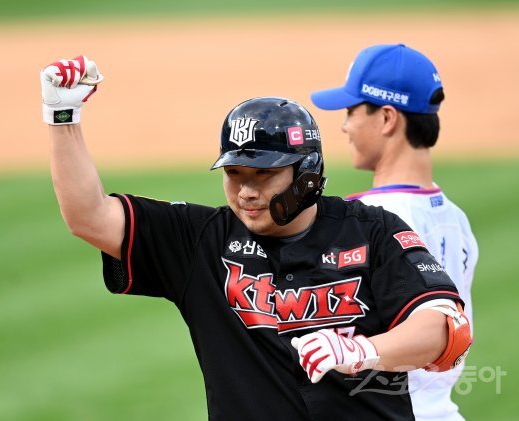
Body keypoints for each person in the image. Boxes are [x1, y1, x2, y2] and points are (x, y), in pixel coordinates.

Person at [40, 55, 472, 420]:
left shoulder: (372, 230)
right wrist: (63, 118)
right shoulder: (201, 242)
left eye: (264, 174)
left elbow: (446, 330)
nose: (246, 191)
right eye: (234, 173)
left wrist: (360, 351)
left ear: (306, 174)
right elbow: (89, 217)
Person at [310, 43, 478, 420]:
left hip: (388, 410)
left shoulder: (367, 220)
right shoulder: (455, 217)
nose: (344, 125)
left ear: (387, 118)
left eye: (351, 111)